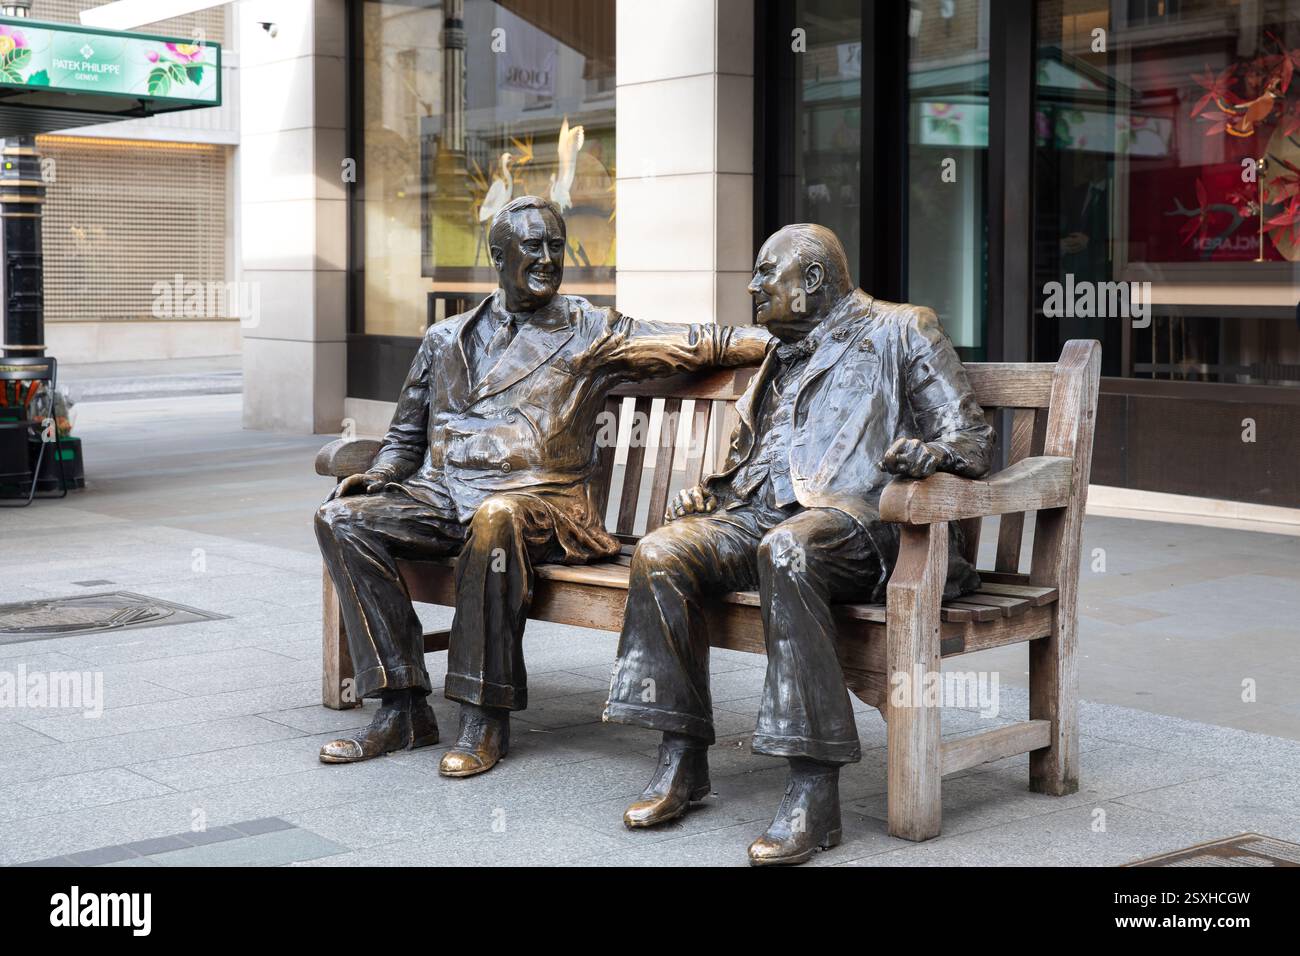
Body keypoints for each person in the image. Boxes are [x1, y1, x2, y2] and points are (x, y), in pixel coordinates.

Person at [315, 196, 769, 776]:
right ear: (498, 255)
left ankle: (483, 715)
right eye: (534, 246)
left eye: (556, 246)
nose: (549, 259)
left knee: (496, 517)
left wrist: (799, 340)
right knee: (343, 518)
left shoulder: (589, 329)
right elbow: (405, 438)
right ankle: (403, 707)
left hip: (542, 504)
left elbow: (702, 341)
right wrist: (377, 477)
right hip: (443, 494)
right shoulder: (445, 338)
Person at [603, 223, 994, 865]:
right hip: (761, 516)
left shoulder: (900, 328)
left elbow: (971, 438)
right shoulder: (778, 352)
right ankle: (681, 756)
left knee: (788, 548)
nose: (753, 287)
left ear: (810, 280)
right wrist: (715, 494)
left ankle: (812, 788)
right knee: (662, 552)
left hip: (865, 523)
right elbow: (763, 453)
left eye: (765, 273)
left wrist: (930, 453)